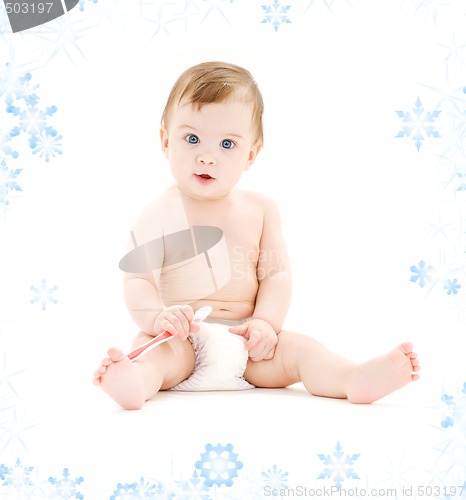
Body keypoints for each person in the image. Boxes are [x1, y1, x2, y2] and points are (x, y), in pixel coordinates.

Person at [93, 61, 420, 410]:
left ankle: (351, 378)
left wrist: (265, 324)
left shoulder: (262, 210)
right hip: (183, 337)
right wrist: (159, 318)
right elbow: (137, 280)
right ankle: (135, 382)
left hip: (249, 344)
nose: (206, 157)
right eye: (192, 139)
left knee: (302, 350)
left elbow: (276, 275)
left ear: (251, 154)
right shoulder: (158, 212)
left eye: (227, 144)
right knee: (156, 355)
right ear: (165, 140)